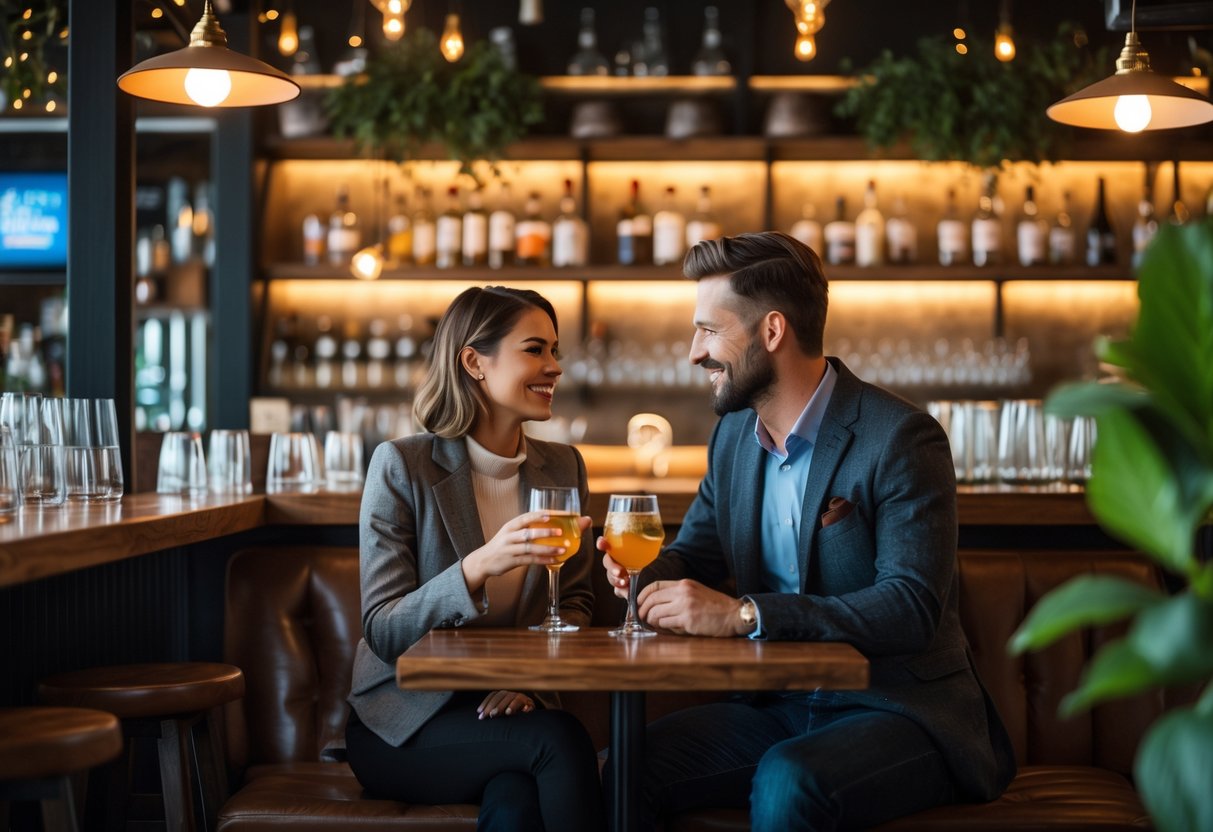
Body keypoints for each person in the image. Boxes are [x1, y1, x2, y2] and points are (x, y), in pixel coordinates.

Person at [600, 232, 1016, 830]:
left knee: (790, 779)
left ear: (772, 332)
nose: (694, 352)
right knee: (625, 766)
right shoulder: (732, 440)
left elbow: (910, 606)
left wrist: (747, 615)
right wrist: (635, 572)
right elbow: (695, 553)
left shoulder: (900, 437)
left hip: (896, 708)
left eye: (709, 331)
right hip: (779, 703)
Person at [348, 285, 606, 832]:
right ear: (474, 362)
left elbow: (577, 600)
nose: (554, 367)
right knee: (559, 740)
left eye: (555, 350)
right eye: (535, 350)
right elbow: (384, 631)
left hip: (511, 714)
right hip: (407, 721)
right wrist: (478, 566)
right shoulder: (402, 466)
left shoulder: (563, 467)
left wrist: (531, 682)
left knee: (516, 805)